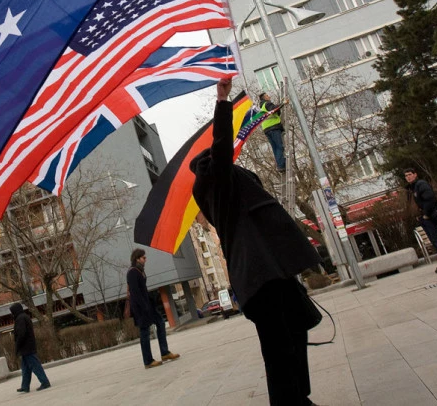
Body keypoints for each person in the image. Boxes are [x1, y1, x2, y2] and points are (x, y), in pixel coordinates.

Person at [191, 79, 322, 406]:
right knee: (278, 346)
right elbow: (222, 149)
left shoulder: (228, 189)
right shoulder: (216, 185)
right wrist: (222, 101)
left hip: (274, 271)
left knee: (298, 327)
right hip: (258, 276)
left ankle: (299, 397)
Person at [126, 249, 180, 369]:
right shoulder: (132, 272)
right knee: (144, 331)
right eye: (144, 258)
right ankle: (148, 361)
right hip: (140, 308)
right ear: (137, 259)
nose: (146, 260)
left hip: (147, 305)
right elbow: (135, 293)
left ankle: (165, 353)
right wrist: (144, 307)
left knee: (160, 322)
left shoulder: (140, 270)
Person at [404, 168, 437, 273]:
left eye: (410, 174)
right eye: (406, 176)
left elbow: (429, 199)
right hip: (423, 217)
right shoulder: (412, 188)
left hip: (430, 216)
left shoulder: (421, 184)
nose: (408, 177)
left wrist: (426, 214)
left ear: (415, 174)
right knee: (434, 240)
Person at [9, 302, 51, 393]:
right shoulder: (24, 316)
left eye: (12, 312)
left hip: (26, 347)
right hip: (27, 346)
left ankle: (45, 382)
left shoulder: (20, 319)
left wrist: (17, 346)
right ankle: (25, 386)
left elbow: (21, 334)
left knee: (35, 365)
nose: (12, 314)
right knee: (26, 368)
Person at [259, 92, 286, 172]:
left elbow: (275, 111)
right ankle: (281, 165)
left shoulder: (262, 107)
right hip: (273, 128)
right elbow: (274, 109)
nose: (269, 96)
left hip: (267, 129)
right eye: (267, 95)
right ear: (264, 98)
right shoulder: (267, 104)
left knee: (275, 148)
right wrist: (283, 103)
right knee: (279, 146)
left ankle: (280, 165)